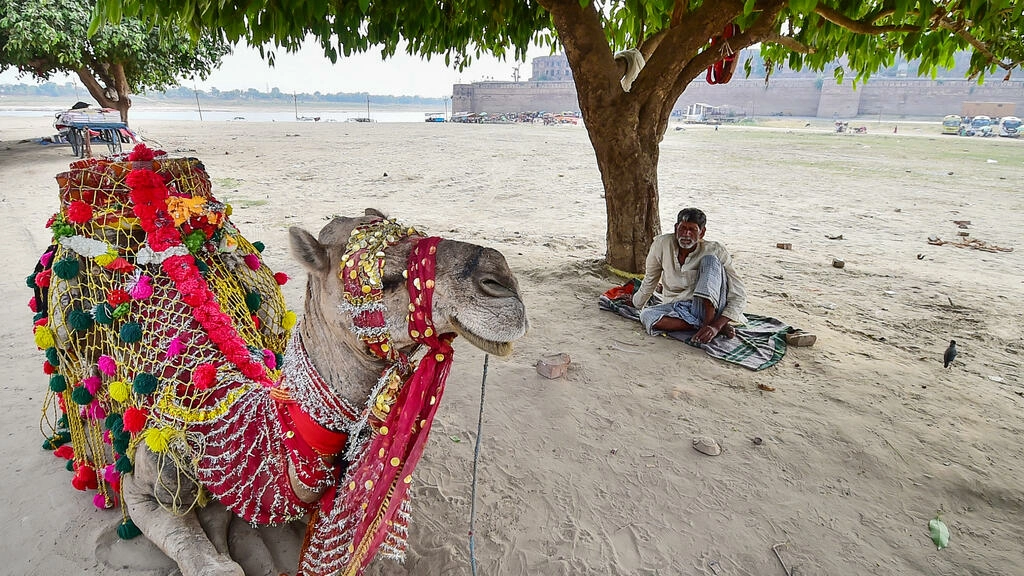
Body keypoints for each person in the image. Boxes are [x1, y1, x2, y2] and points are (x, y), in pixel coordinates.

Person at [631, 208, 747, 344]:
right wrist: (636, 303)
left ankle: (709, 325)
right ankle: (701, 326)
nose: (686, 234)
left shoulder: (716, 250)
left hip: (710, 307)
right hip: (677, 307)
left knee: (710, 260)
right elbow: (650, 279)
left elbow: (739, 294)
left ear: (702, 233)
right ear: (676, 228)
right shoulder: (661, 244)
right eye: (683, 228)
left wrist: (716, 326)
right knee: (646, 315)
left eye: (692, 230)